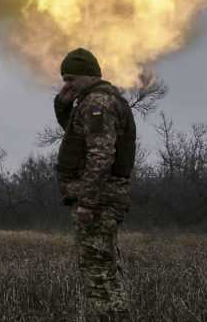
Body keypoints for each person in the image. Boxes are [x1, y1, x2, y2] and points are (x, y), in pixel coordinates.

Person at [54, 48, 136, 321]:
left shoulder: (97, 104)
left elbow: (100, 156)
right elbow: (77, 135)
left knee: (98, 272)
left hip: (99, 202)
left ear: (88, 76)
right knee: (104, 267)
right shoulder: (99, 101)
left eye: (70, 79)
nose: (67, 85)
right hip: (106, 198)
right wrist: (63, 105)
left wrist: (88, 202)